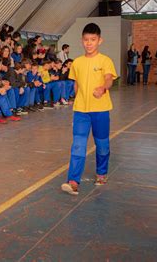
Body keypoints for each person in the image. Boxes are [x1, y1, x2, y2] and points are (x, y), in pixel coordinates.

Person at [61, 23, 117, 196]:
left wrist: (103, 88)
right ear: (82, 41)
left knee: (102, 145)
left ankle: (101, 173)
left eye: (93, 40)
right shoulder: (76, 62)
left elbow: (109, 79)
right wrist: (77, 100)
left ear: (100, 40)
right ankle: (73, 181)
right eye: (86, 40)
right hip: (81, 111)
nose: (89, 43)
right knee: (78, 145)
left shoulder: (105, 60)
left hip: (100, 110)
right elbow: (76, 84)